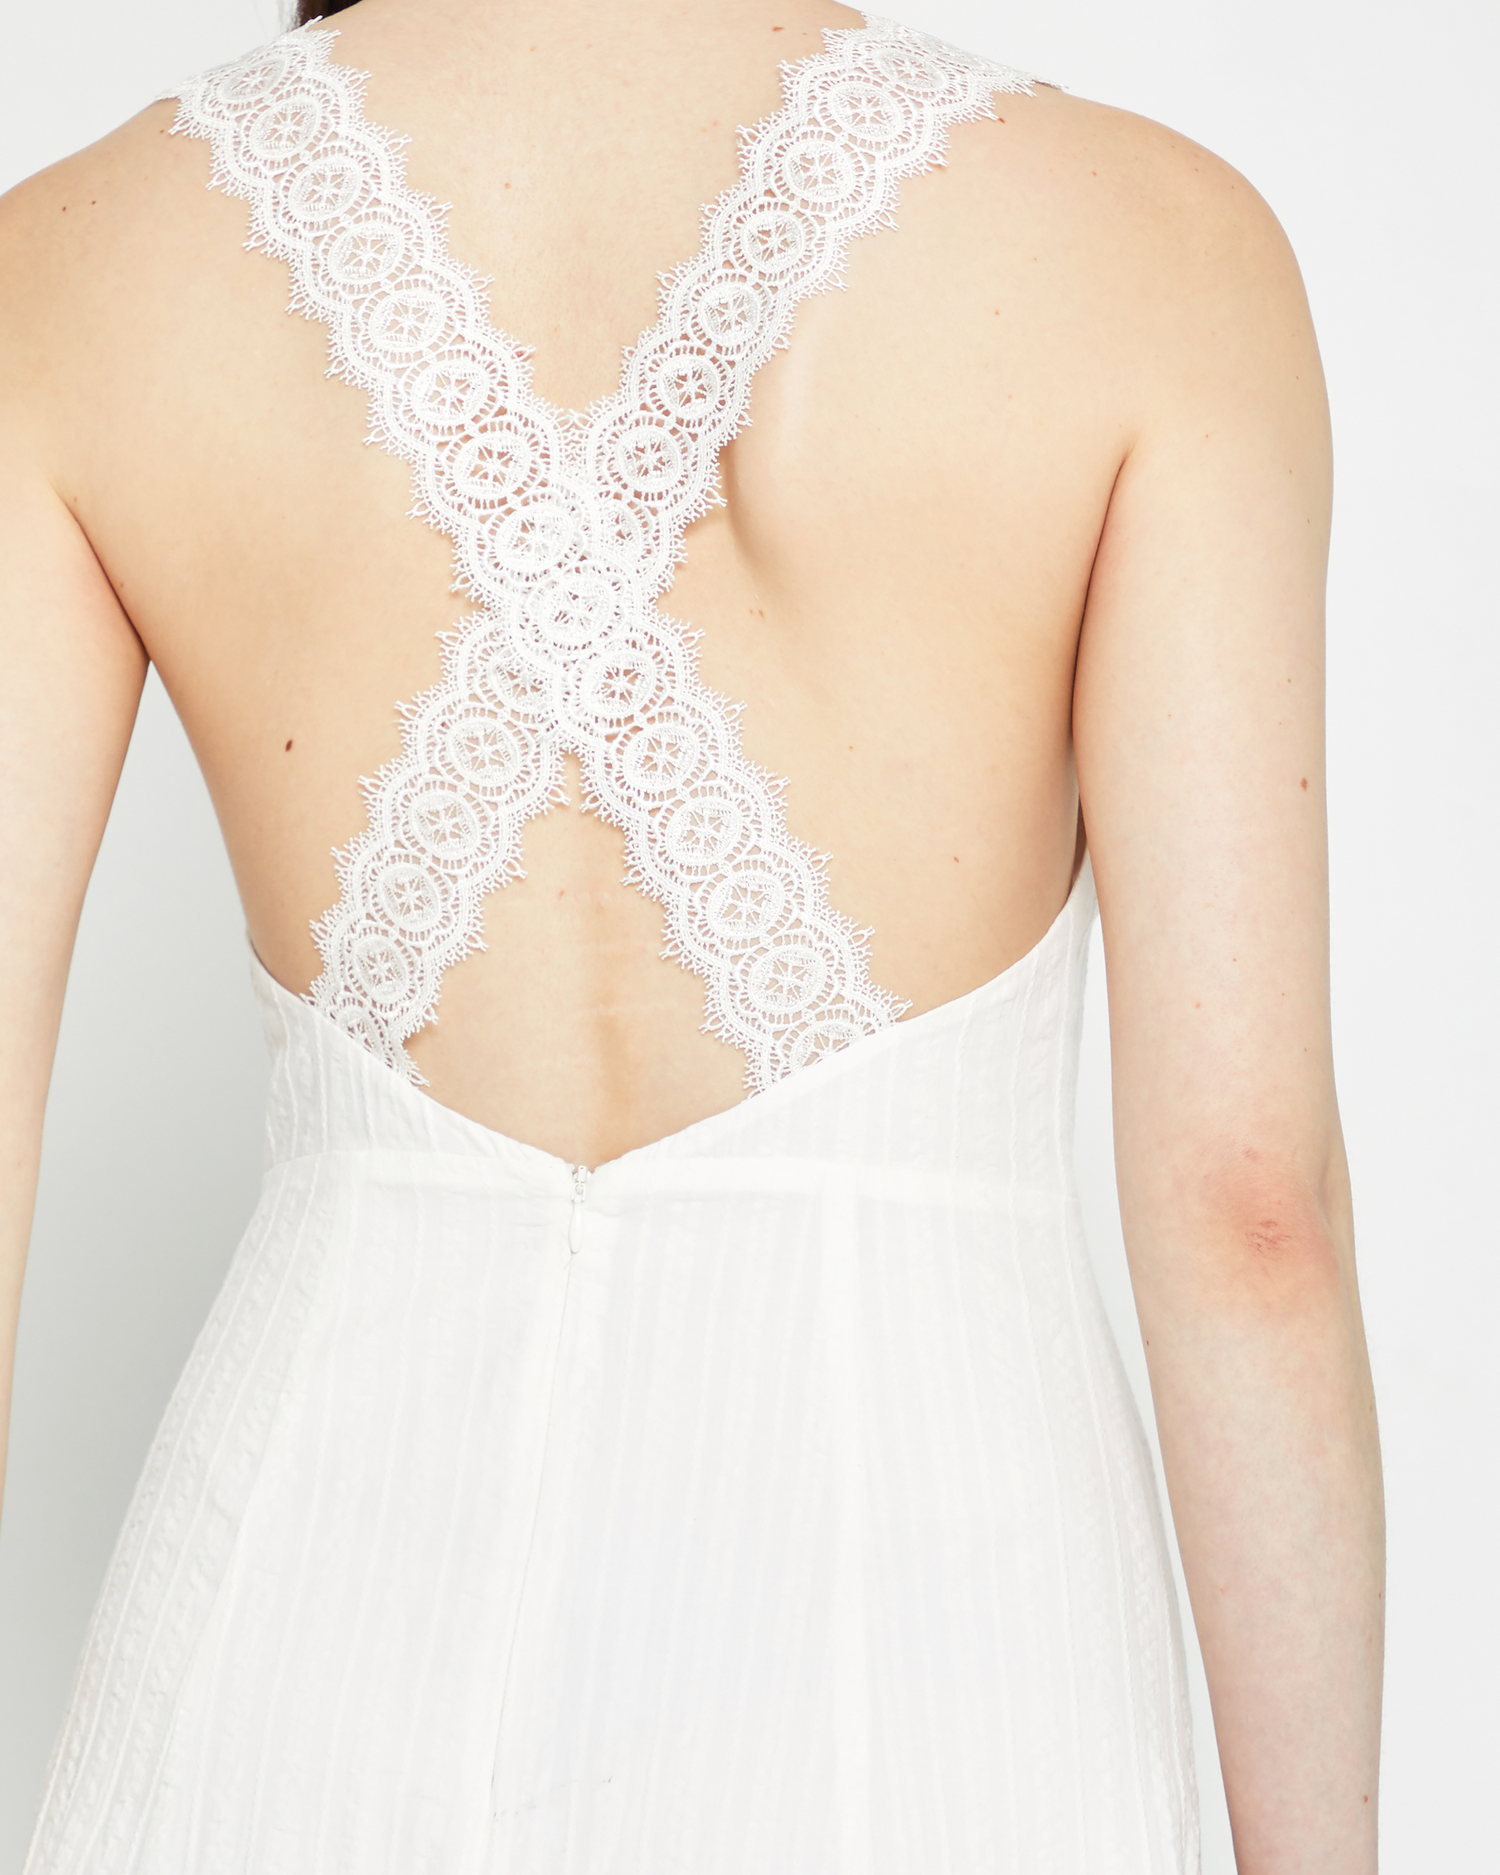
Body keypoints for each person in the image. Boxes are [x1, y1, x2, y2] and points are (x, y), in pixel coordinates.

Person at [0, 0, 1383, 1867]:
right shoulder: (1153, 251)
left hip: (288, 1662)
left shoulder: (72, 273)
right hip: (938, 1664)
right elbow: (1249, 1210)